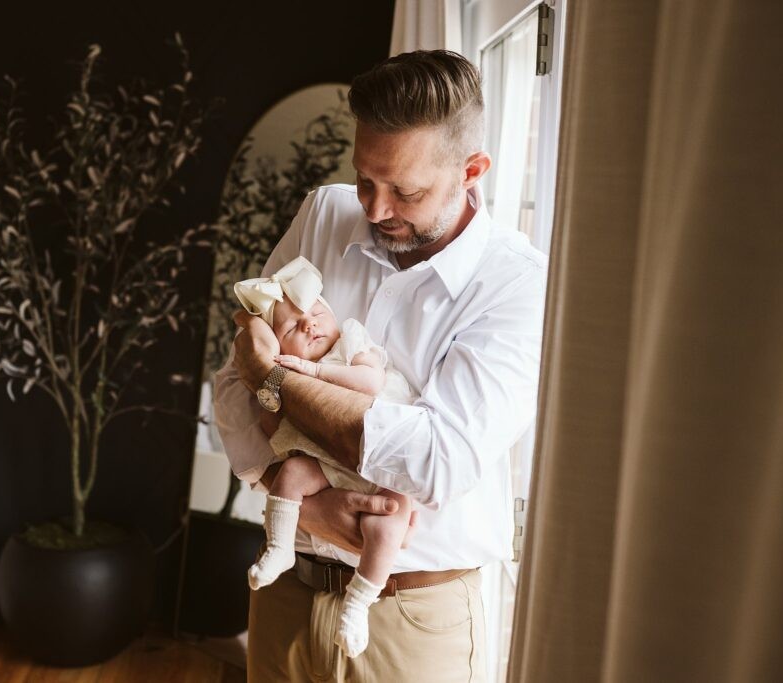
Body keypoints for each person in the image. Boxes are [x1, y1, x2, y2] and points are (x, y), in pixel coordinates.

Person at [214, 49, 547, 682]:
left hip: (413, 619)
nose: (373, 207)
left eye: (405, 190)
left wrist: (277, 380)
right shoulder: (322, 214)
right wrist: (303, 507)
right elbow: (233, 382)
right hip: (286, 593)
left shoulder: (518, 284)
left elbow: (434, 463)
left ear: (472, 171)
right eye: (365, 178)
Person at [233, 255, 418, 658]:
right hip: (327, 463)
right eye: (292, 327)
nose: (309, 324)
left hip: (380, 465)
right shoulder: (286, 373)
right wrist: (277, 374)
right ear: (278, 346)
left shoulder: (348, 342)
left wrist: (313, 373)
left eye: (316, 312)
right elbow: (269, 426)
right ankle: (279, 546)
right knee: (293, 472)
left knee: (392, 519)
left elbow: (371, 383)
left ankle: (358, 603)